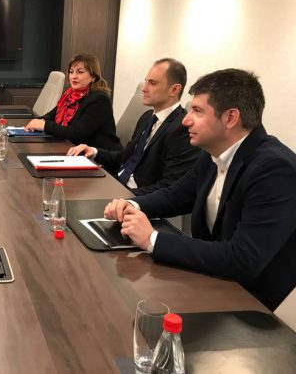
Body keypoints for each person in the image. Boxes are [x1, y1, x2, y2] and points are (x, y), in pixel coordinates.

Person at [104, 69, 296, 310]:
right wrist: (131, 204)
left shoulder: (275, 169)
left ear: (230, 118)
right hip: (211, 279)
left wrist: (152, 238)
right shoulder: (212, 153)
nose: (186, 120)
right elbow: (177, 195)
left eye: (197, 111)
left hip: (251, 304)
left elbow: (243, 259)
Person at [67, 58, 199, 195]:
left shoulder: (182, 129)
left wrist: (126, 198)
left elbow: (169, 186)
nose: (144, 89)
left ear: (174, 89)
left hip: (138, 197)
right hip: (117, 184)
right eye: (146, 81)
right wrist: (94, 151)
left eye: (152, 83)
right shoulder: (147, 117)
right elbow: (125, 157)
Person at [24, 53, 122, 149]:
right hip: (72, 147)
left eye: (80, 72)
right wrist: (38, 121)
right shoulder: (70, 94)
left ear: (93, 77)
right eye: (71, 72)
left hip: (97, 155)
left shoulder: (99, 100)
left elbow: (77, 133)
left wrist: (45, 126)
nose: (73, 76)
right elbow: (52, 115)